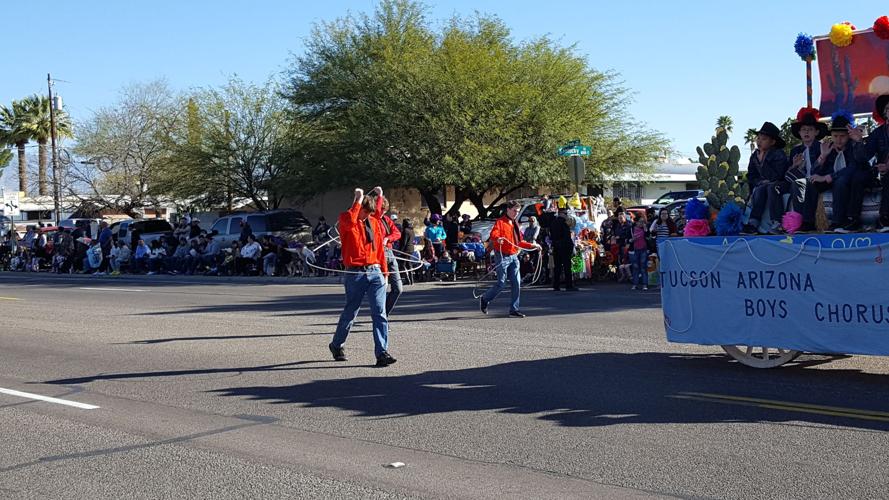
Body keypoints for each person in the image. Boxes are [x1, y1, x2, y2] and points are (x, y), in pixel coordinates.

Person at [329, 187, 396, 367]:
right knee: (351, 311)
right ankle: (337, 344)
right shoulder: (346, 221)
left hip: (375, 271)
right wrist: (358, 198)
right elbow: (351, 218)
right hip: (355, 272)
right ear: (359, 208)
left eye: (369, 213)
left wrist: (385, 273)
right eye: (364, 212)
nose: (367, 216)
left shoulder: (373, 222)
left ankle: (382, 352)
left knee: (380, 312)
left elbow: (379, 250)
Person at [479, 200, 540, 317]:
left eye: (517, 211)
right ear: (508, 210)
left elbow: (520, 242)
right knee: (501, 283)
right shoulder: (500, 222)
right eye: (514, 211)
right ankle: (485, 299)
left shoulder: (515, 224)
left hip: (513, 256)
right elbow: (494, 234)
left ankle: (514, 309)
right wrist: (498, 239)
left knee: (516, 283)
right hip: (502, 256)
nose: (516, 213)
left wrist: (533, 245)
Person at [817, 114, 871, 233]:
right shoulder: (829, 148)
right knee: (810, 183)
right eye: (835, 136)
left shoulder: (854, 146)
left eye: (842, 136)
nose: (839, 139)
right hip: (836, 180)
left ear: (849, 136)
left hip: (853, 179)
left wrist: (858, 142)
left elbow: (856, 165)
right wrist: (822, 157)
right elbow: (814, 173)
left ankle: (838, 222)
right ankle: (806, 223)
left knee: (841, 181)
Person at [850, 94, 889, 232]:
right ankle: (853, 220)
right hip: (880, 173)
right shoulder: (878, 133)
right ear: (885, 113)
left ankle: (885, 219)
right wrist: (859, 142)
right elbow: (864, 157)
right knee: (858, 176)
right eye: (888, 109)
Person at [785, 108, 828, 232]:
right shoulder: (795, 151)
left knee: (808, 183)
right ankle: (798, 220)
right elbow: (788, 174)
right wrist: (794, 166)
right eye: (804, 129)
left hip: (818, 180)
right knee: (796, 184)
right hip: (801, 181)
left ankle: (808, 221)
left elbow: (824, 169)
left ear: (816, 132)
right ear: (799, 132)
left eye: (810, 129)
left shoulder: (822, 147)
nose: (806, 132)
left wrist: (822, 158)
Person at [744, 121, 789, 234]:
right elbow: (751, 175)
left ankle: (777, 222)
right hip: (761, 184)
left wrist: (762, 163)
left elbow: (778, 175)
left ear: (772, 142)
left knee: (770, 187)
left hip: (779, 183)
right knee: (760, 188)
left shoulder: (779, 154)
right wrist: (759, 181)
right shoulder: (755, 155)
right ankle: (753, 222)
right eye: (758, 138)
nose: (759, 141)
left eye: (763, 139)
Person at [379, 197, 403, 316]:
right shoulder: (370, 220)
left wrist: (388, 238)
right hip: (378, 255)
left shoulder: (385, 219)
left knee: (398, 288)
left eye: (385, 210)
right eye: (381, 209)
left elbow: (397, 233)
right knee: (381, 289)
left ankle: (385, 314)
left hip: (389, 252)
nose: (383, 212)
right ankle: (381, 319)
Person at [548, 208, 576, 292]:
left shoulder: (553, 223)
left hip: (556, 246)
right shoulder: (564, 223)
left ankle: (556, 285)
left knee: (557, 267)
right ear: (561, 213)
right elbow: (567, 236)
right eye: (565, 213)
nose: (566, 215)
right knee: (567, 266)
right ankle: (569, 285)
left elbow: (551, 235)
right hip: (565, 246)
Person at [629, 217, 649, 290]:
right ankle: (635, 284)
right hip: (634, 249)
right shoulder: (632, 229)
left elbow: (648, 237)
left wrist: (646, 229)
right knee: (635, 267)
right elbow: (628, 239)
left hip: (643, 249)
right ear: (636, 222)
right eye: (640, 222)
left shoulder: (644, 229)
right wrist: (631, 240)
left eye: (643, 222)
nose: (642, 223)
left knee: (643, 267)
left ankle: (644, 284)